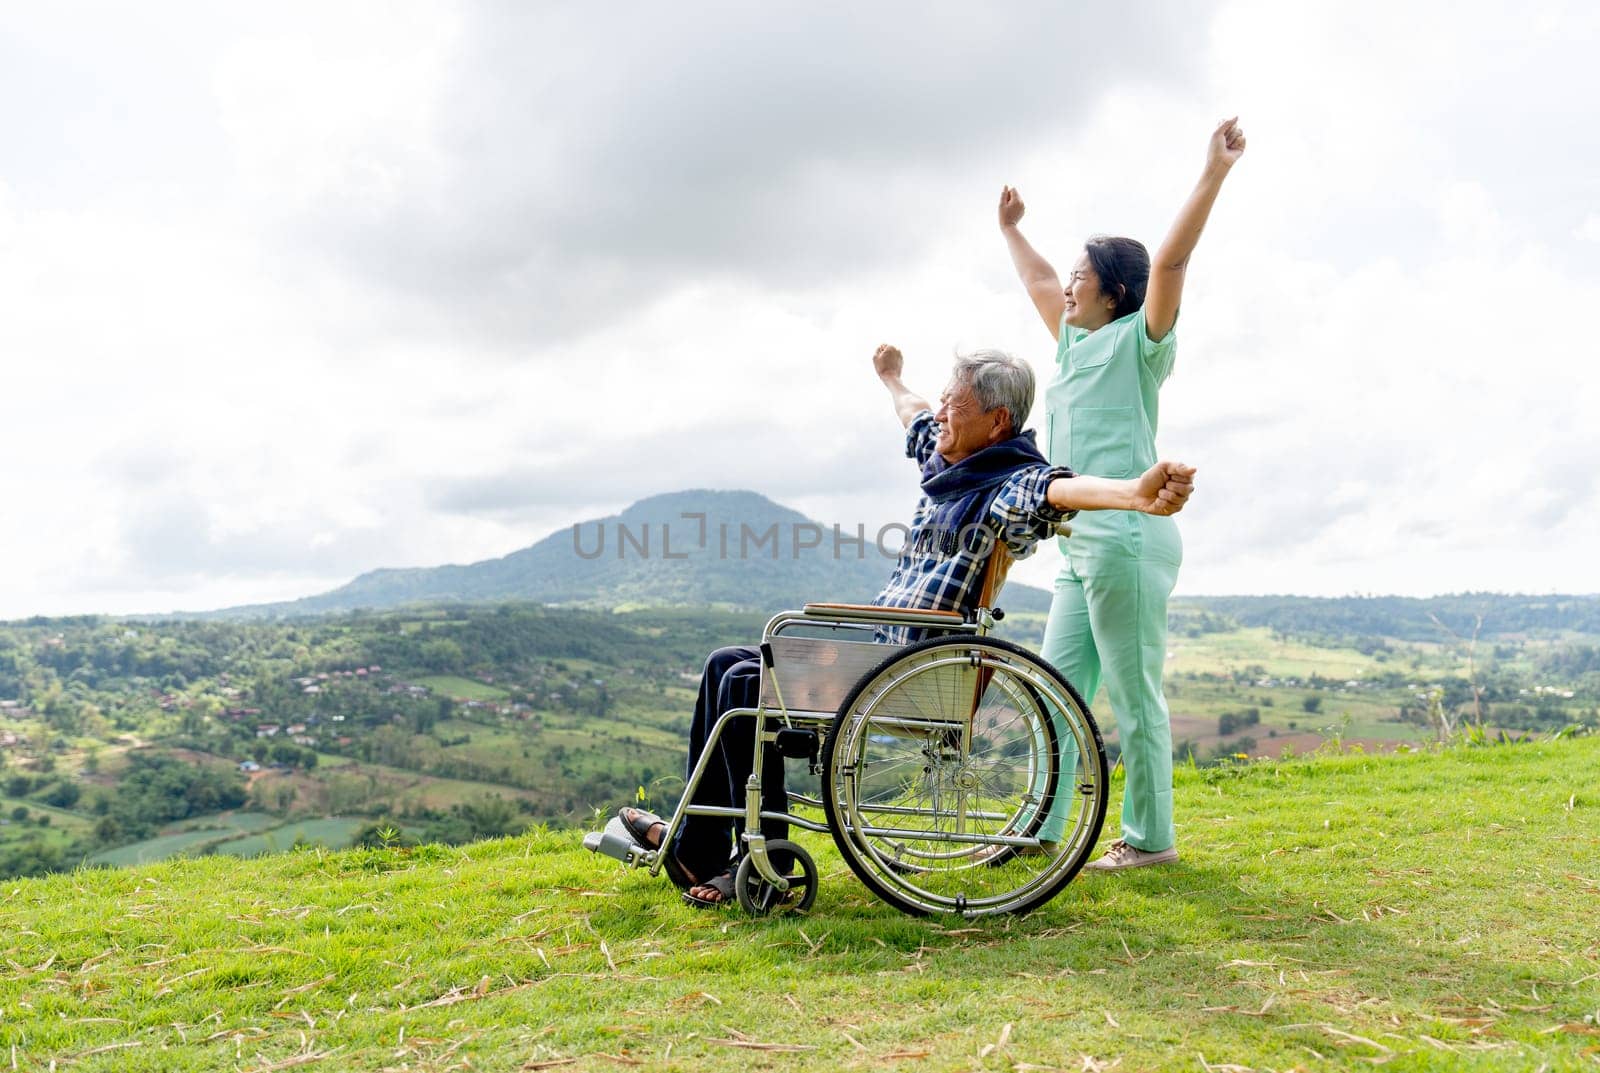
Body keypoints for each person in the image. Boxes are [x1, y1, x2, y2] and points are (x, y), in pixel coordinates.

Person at [620, 345, 1197, 907]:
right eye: (944, 402)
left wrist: (1135, 495)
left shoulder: (1006, 481)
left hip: (913, 669)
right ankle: (701, 846)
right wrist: (892, 378)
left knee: (749, 687)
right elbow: (916, 415)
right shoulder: (949, 463)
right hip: (884, 656)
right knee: (727, 663)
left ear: (997, 422)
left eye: (956, 406)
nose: (942, 416)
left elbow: (1058, 491)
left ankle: (760, 859)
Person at [996, 117, 1246, 871]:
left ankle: (1150, 841)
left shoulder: (1140, 344)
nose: (1066, 284)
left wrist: (1213, 172)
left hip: (1132, 538)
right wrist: (1012, 231)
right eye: (1069, 275)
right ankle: (1041, 830)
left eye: (1082, 274)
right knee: (1057, 695)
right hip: (1078, 546)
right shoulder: (1073, 341)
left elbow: (1171, 261)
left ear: (1117, 293)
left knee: (1135, 701)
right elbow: (1042, 282)